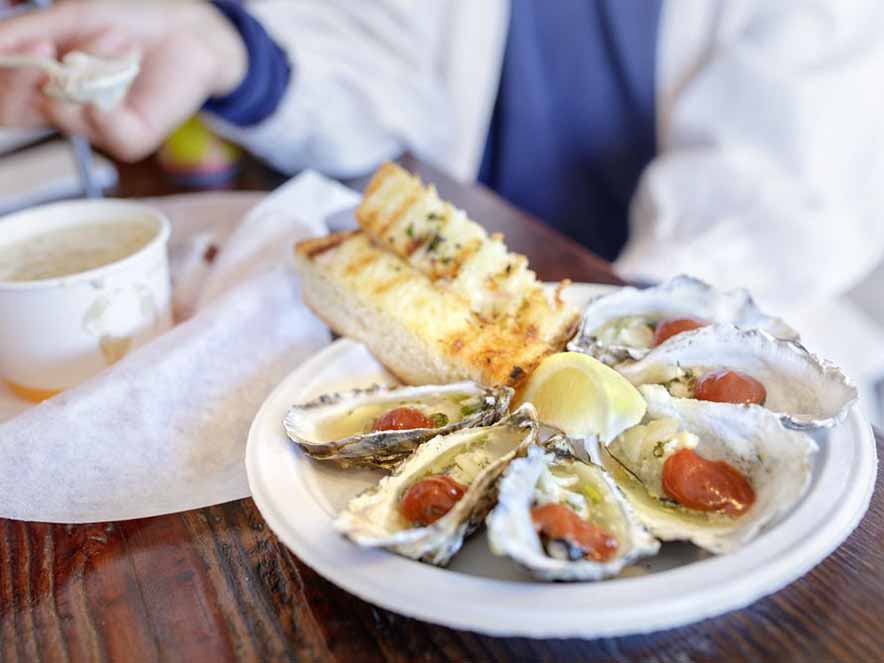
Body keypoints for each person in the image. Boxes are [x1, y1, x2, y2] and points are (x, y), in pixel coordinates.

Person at [3, 2, 884, 406]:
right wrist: (222, 42)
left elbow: (782, 183)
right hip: (471, 301)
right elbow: (374, 64)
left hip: (735, 327)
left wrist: (630, 339)